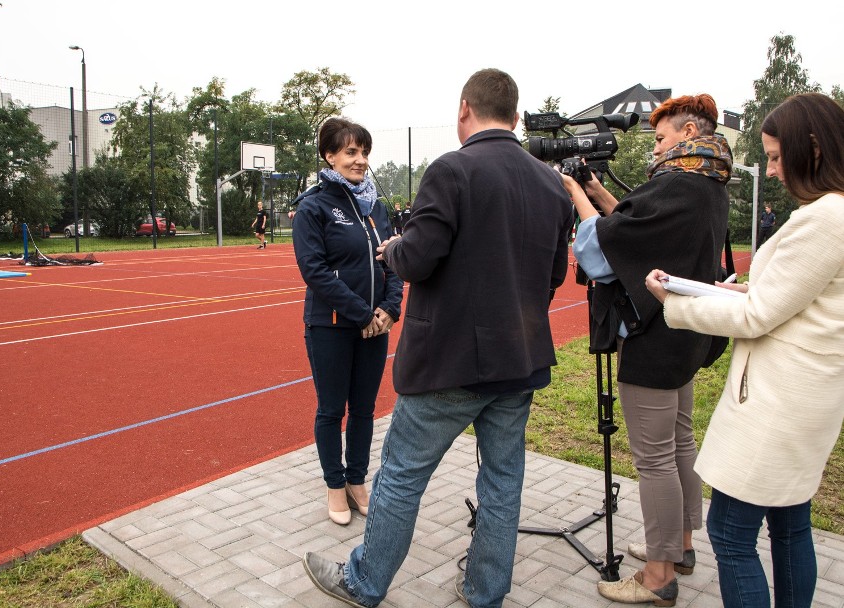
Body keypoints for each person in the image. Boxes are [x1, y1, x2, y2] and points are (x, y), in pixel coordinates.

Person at [302, 68, 573, 608]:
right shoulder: (549, 181)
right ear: (516, 118)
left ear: (463, 109)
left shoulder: (452, 170)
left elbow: (421, 256)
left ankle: (365, 580)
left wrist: (394, 249)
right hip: (518, 362)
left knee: (401, 475)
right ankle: (485, 591)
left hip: (450, 362)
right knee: (503, 482)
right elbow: (554, 275)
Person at [644, 92, 844, 608]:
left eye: (777, 157)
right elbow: (791, 297)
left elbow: (760, 317)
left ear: (813, 151)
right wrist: (737, 289)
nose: (772, 171)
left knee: (731, 533)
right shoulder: (830, 213)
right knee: (789, 525)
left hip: (780, 404)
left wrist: (676, 303)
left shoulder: (826, 217)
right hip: (803, 398)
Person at [560, 94, 732, 606]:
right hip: (685, 336)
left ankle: (658, 576)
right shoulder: (707, 183)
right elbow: (641, 234)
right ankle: (678, 546)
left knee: (654, 459)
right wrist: (600, 194)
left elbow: (603, 252)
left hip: (655, 340)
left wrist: (575, 192)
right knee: (679, 444)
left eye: (660, 139)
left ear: (686, 133)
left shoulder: (677, 183)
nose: (655, 150)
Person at [292, 117, 404, 527]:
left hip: (376, 325)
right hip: (332, 325)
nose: (360, 160)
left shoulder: (375, 205)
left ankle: (357, 480)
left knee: (363, 409)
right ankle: (334, 484)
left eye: (364, 152)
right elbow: (314, 271)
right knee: (330, 409)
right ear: (330, 156)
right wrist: (362, 313)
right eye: (351, 152)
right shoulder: (314, 206)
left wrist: (390, 309)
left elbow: (394, 259)